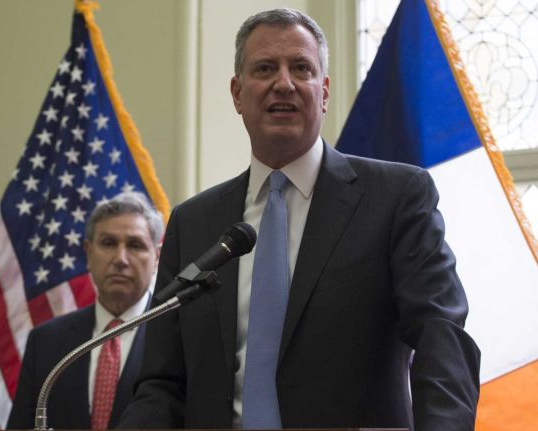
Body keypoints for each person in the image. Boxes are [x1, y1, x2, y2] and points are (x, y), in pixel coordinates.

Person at [119, 7, 480, 431]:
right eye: (265, 68)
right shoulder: (193, 222)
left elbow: (441, 337)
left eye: (301, 68)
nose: (284, 83)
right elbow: (162, 381)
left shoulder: (395, 197)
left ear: (324, 91)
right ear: (237, 93)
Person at [6, 191, 163, 430]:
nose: (121, 259)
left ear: (156, 257)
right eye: (108, 243)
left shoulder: (174, 334)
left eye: (135, 245)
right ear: (88, 253)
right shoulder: (46, 340)